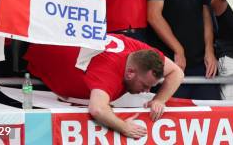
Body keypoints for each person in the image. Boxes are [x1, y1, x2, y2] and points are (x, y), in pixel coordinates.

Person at [25, 33, 184, 139]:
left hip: (60, 39)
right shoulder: (109, 73)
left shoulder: (141, 54)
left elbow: (177, 72)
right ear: (130, 73)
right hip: (38, 52)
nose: (147, 91)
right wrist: (124, 127)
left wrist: (159, 100)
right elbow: (97, 109)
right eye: (144, 84)